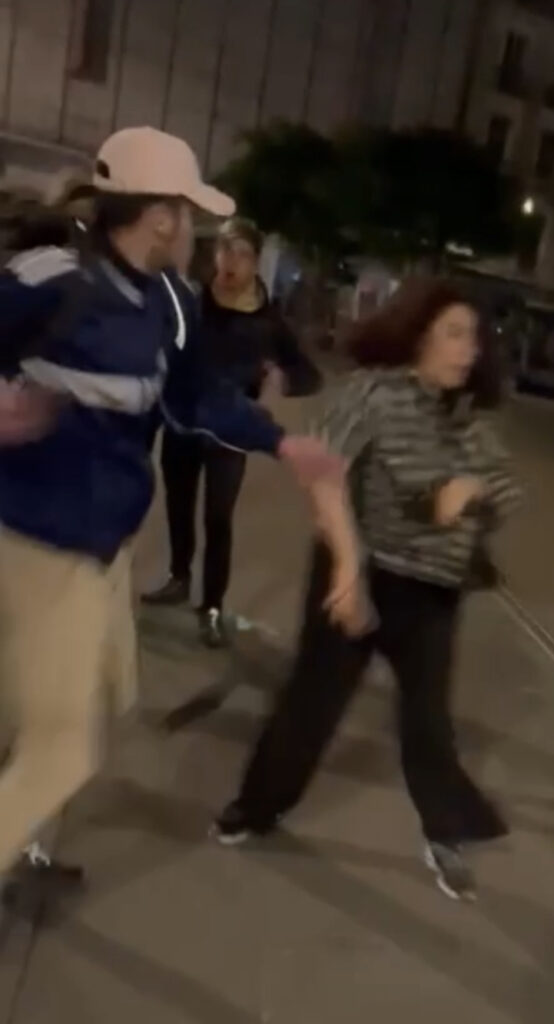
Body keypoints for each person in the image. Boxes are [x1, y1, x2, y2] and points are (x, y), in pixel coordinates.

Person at [0, 127, 349, 887]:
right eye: (189, 215)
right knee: (61, 744)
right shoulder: (54, 279)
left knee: (97, 694)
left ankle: (28, 839)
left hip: (98, 544)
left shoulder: (167, 303)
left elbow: (192, 395)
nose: (197, 234)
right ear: (157, 215)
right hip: (34, 537)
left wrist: (282, 445)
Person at [213, 278, 521, 902]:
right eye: (454, 335)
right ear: (419, 336)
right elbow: (325, 477)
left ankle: (444, 832)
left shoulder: (468, 417)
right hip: (365, 572)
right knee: (312, 705)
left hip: (434, 591)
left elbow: (509, 488)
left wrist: (473, 492)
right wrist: (348, 573)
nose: (468, 350)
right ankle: (256, 807)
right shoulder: (374, 394)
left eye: (475, 338)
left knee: (428, 720)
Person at [143, 217, 322, 647]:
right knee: (179, 505)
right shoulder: (193, 304)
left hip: (231, 433)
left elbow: (309, 374)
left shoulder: (268, 320)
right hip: (183, 423)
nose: (231, 261)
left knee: (218, 518)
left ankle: (213, 607)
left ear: (256, 262)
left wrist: (282, 378)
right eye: (225, 250)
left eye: (242, 253)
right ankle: (179, 576)